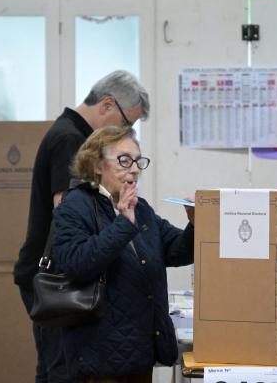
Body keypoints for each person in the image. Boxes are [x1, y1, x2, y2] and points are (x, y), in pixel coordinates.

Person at [13, 70, 149, 383]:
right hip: (56, 279)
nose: (126, 132)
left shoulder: (68, 131)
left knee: (52, 369)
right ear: (107, 105)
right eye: (127, 123)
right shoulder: (70, 139)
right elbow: (68, 213)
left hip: (49, 273)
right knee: (62, 370)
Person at [52, 125, 195, 382]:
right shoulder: (75, 205)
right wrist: (123, 225)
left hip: (139, 353)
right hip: (99, 359)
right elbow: (76, 263)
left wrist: (194, 224)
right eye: (124, 160)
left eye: (138, 161)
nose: (135, 168)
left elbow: (176, 251)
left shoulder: (141, 210)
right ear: (97, 165)